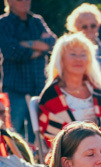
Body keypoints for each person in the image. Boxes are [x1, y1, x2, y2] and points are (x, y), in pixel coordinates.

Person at [38, 33, 101, 160]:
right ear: (61, 59)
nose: (78, 59)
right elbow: (54, 138)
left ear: (89, 59)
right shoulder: (51, 95)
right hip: (70, 156)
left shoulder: (96, 90)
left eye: (83, 54)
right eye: (73, 54)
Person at [0, 0, 56, 141]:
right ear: (10, 2)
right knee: (11, 134)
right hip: (14, 89)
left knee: (37, 136)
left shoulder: (37, 21)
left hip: (38, 88)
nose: (25, 2)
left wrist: (25, 44)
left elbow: (52, 43)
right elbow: (10, 51)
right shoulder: (4, 23)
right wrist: (38, 47)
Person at [66, 3, 101, 95]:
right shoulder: (70, 52)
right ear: (76, 28)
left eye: (93, 25)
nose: (89, 29)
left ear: (98, 25)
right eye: (84, 26)